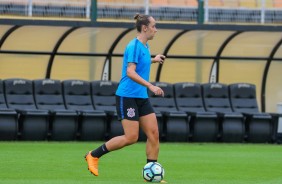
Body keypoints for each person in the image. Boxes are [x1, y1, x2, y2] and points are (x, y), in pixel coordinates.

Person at [85, 13, 166, 182]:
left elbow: (140, 63)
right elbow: (130, 71)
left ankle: (149, 176)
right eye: (154, 26)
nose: (156, 30)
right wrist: (151, 86)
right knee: (131, 138)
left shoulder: (144, 47)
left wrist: (154, 59)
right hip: (127, 96)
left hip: (140, 97)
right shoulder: (134, 46)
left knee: (154, 134)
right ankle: (93, 155)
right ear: (145, 28)